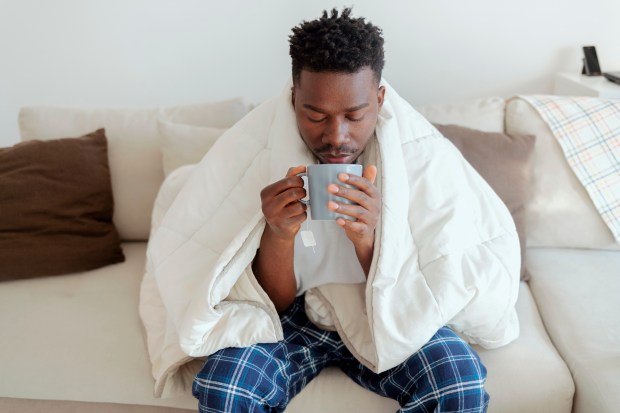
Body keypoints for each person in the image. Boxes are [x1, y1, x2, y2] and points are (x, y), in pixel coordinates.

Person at [186, 7, 515, 413]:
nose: (336, 136)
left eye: (355, 115)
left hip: (387, 314)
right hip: (293, 323)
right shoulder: (260, 152)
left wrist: (370, 239)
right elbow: (274, 302)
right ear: (294, 99)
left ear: (380, 99)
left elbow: (435, 275)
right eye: (315, 115)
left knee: (457, 379)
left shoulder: (421, 159)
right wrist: (279, 233)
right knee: (227, 388)